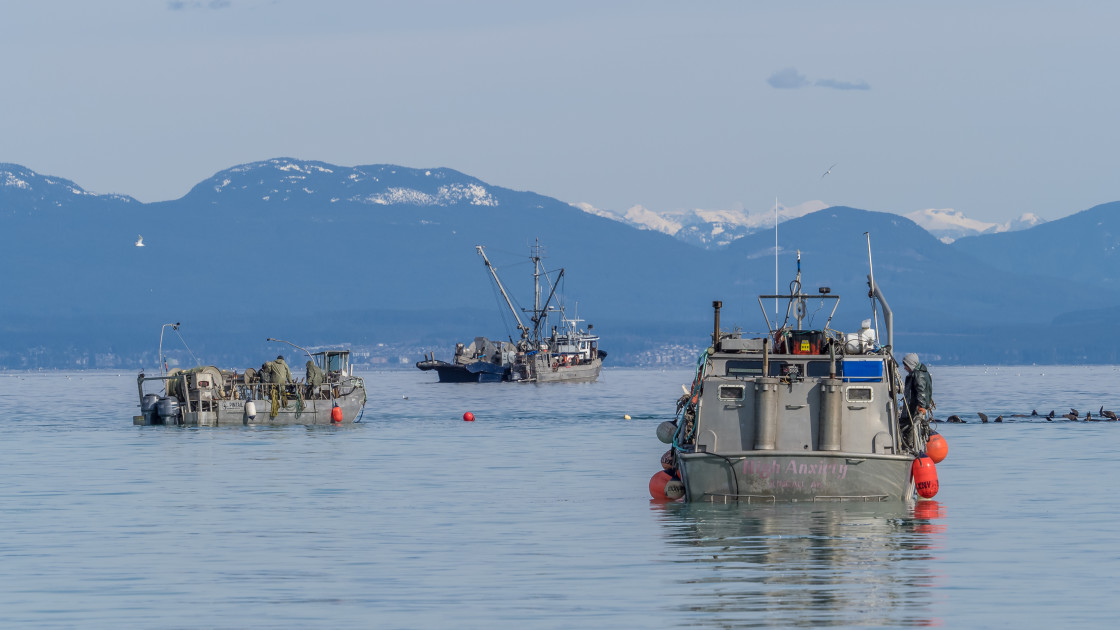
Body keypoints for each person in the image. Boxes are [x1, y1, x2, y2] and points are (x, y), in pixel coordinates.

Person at [901, 353, 934, 448]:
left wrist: (921, 406)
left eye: (906, 365)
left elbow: (921, 391)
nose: (904, 368)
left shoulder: (918, 375)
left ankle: (908, 446)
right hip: (914, 408)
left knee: (908, 428)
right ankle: (909, 445)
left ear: (911, 364)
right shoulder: (923, 373)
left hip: (914, 409)